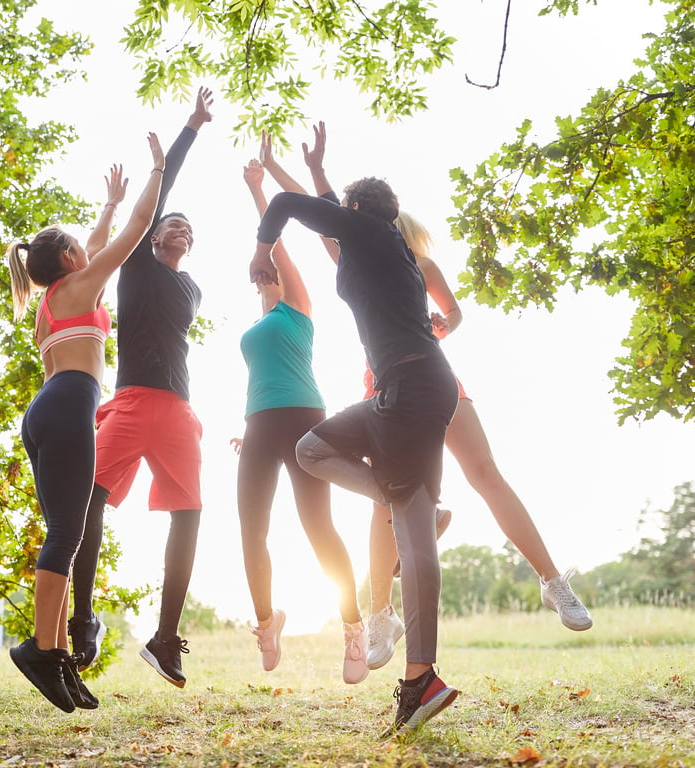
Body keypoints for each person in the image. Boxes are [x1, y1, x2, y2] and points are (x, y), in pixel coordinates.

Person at [249, 122, 459, 734]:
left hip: (412, 389)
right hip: (410, 388)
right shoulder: (376, 243)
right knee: (313, 448)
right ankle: (403, 502)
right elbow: (324, 224)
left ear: (358, 210)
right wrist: (317, 168)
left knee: (416, 542)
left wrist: (263, 247)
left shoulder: (369, 232)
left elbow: (293, 210)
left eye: (343, 205)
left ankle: (420, 680)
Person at [364, 212, 592, 670]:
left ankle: (552, 582)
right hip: (384, 385)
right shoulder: (361, 271)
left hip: (437, 379)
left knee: (486, 474)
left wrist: (442, 325)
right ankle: (380, 614)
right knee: (383, 500)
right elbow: (322, 217)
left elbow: (454, 311)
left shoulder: (422, 269)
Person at [5, 133, 165, 713]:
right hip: (73, 405)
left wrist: (106, 206)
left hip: (46, 408)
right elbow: (135, 232)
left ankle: (53, 653)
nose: (86, 249)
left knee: (65, 537)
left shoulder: (53, 300)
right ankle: (41, 650)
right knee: (66, 537)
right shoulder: (80, 284)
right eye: (78, 248)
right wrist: (155, 172)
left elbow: (94, 242)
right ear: (70, 261)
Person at [68, 88, 213, 689]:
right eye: (169, 222)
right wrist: (189, 130)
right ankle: (82, 622)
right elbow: (158, 199)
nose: (177, 227)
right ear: (154, 237)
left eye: (186, 226)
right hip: (128, 402)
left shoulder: (193, 289)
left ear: (190, 243)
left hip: (178, 409)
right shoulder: (138, 264)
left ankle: (164, 637)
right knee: (87, 501)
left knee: (191, 513)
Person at [235, 140, 367, 683]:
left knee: (319, 527)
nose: (267, 277)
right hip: (259, 425)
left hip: (307, 420)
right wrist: (250, 429)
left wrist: (257, 189)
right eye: (262, 276)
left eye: (273, 273)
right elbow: (259, 382)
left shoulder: (299, 311)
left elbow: (278, 243)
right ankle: (267, 622)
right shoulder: (255, 326)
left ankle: (354, 629)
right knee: (250, 528)